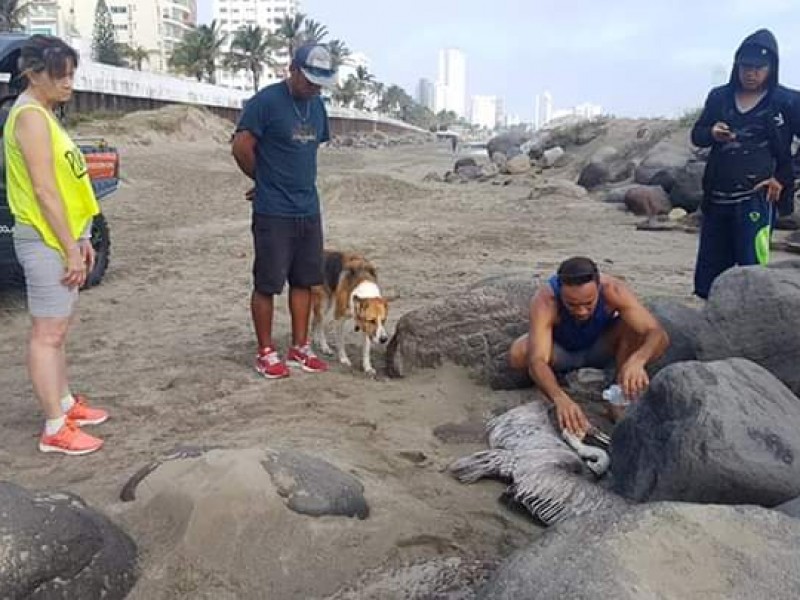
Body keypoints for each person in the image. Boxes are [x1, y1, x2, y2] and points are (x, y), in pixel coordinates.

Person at [5, 35, 109, 455]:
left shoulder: (44, 113)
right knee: (47, 333)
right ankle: (54, 427)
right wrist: (68, 247)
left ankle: (64, 403)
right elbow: (45, 191)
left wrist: (81, 236)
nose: (69, 84)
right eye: (60, 75)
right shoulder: (29, 116)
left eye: (72, 74)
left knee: (58, 328)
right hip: (44, 237)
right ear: (33, 74)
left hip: (60, 235)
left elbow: (67, 184)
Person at [232, 44, 337, 379]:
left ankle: (300, 347)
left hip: (308, 208)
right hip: (273, 211)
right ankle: (266, 352)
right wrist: (264, 180)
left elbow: (306, 152)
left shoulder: (318, 107)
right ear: (292, 70)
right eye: (309, 80)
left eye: (319, 82)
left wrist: (286, 179)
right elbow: (241, 146)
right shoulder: (265, 102)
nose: (313, 87)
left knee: (305, 281)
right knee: (268, 282)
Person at [507, 257, 670, 437]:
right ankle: (554, 382)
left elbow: (657, 333)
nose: (582, 311)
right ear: (561, 292)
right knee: (519, 354)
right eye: (572, 305)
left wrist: (637, 361)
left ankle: (618, 394)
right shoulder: (546, 300)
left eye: (588, 303)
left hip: (600, 346)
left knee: (634, 327)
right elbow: (537, 360)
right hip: (561, 350)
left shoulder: (613, 290)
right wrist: (560, 399)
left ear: (598, 288)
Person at [691, 29, 794, 299]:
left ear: (772, 68)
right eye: (746, 67)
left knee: (752, 273)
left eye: (759, 68)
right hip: (716, 198)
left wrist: (783, 178)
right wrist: (712, 132)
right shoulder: (719, 97)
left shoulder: (787, 101)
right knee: (709, 279)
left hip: (758, 200)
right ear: (737, 66)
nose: (751, 73)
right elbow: (697, 134)